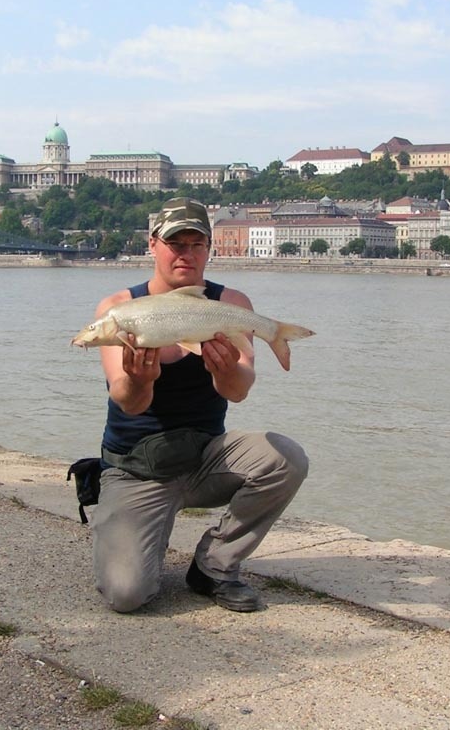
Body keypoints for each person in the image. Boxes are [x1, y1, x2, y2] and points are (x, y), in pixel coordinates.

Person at [90, 197, 309, 613]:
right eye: (176, 243)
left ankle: (214, 566)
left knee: (287, 458)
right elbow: (128, 402)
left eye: (197, 244)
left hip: (204, 457)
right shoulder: (119, 310)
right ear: (153, 245)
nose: (186, 254)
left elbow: (238, 390)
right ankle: (136, 530)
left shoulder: (231, 305)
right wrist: (141, 379)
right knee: (127, 595)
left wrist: (224, 370)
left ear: (209, 249)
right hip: (138, 467)